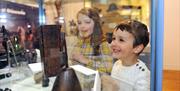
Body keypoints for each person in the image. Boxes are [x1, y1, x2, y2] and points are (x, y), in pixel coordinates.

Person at [109, 19, 150, 91]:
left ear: (137, 48)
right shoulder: (117, 64)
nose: (113, 43)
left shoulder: (142, 75)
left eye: (121, 40)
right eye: (113, 38)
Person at [70, 8, 113, 74]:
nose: (82, 26)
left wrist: (85, 61)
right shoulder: (79, 43)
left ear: (96, 24)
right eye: (79, 23)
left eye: (87, 22)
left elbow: (109, 68)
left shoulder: (102, 43)